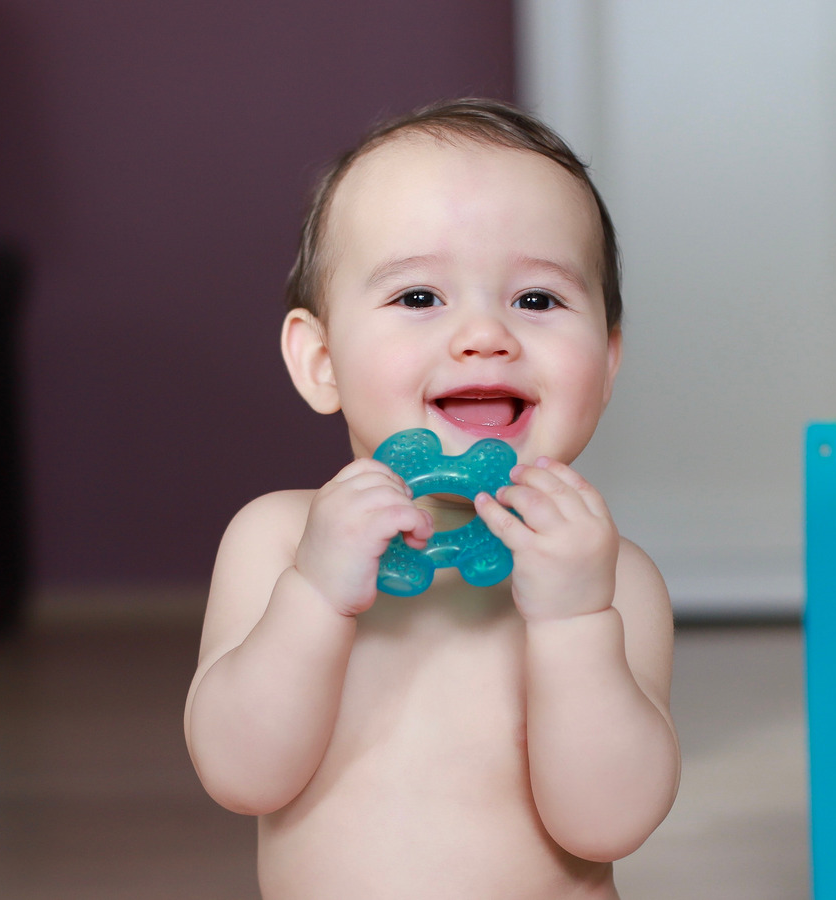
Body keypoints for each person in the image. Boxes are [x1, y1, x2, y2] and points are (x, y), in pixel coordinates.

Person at [182, 98, 680, 899]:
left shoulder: (613, 577)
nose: (484, 334)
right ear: (321, 361)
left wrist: (574, 623)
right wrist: (311, 595)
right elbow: (242, 775)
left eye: (537, 300)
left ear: (609, 361)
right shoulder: (276, 540)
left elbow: (607, 824)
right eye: (419, 298)